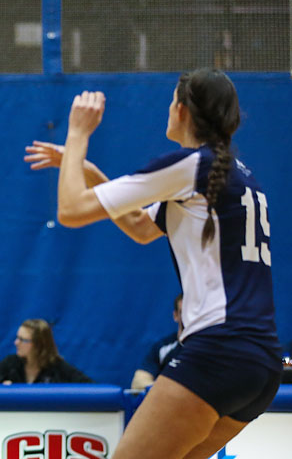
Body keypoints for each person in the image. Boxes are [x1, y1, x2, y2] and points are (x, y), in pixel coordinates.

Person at [24, 69, 282, 459]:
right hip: (261, 364)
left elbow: (71, 210)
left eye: (170, 101)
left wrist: (77, 134)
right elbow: (140, 227)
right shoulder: (239, 176)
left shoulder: (191, 166)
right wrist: (88, 171)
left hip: (218, 351)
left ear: (181, 110)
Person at [0, 318, 92, 384]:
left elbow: (90, 388)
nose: (16, 343)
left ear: (38, 344)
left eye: (22, 340)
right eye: (17, 338)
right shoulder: (10, 363)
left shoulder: (58, 367)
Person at [131, 293, 184, 390]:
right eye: (183, 312)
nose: (189, 317)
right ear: (175, 315)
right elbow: (138, 383)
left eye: (192, 313)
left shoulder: (211, 346)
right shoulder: (163, 348)